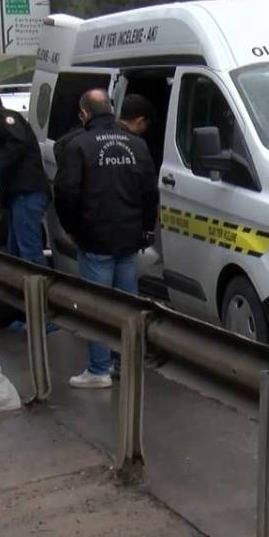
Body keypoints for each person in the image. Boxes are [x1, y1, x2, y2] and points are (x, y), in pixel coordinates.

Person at [54, 89, 158, 388]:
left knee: (97, 307)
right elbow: (150, 192)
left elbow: (66, 192)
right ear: (110, 109)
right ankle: (124, 363)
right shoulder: (137, 145)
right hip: (129, 239)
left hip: (95, 239)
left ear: (84, 114)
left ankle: (98, 370)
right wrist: (146, 229)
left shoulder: (78, 146)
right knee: (126, 306)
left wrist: (71, 228)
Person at [0, 90, 50, 267]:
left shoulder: (4, 119)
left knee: (29, 251)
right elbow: (10, 158)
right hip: (18, 194)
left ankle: (36, 290)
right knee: (15, 251)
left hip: (27, 192)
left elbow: (17, 143)